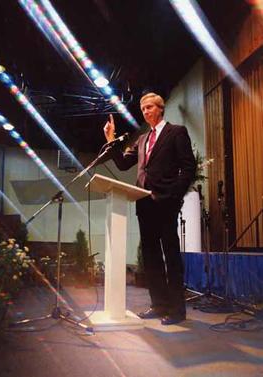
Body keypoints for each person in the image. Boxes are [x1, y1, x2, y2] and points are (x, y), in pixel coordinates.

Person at [103, 92, 196, 325]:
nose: (145, 112)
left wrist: (175, 195)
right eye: (143, 109)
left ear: (160, 108)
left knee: (171, 255)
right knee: (151, 256)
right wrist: (111, 139)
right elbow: (124, 164)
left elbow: (188, 168)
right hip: (144, 204)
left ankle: (177, 310)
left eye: (149, 107)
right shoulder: (143, 139)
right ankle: (158, 304)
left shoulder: (176, 132)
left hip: (166, 202)